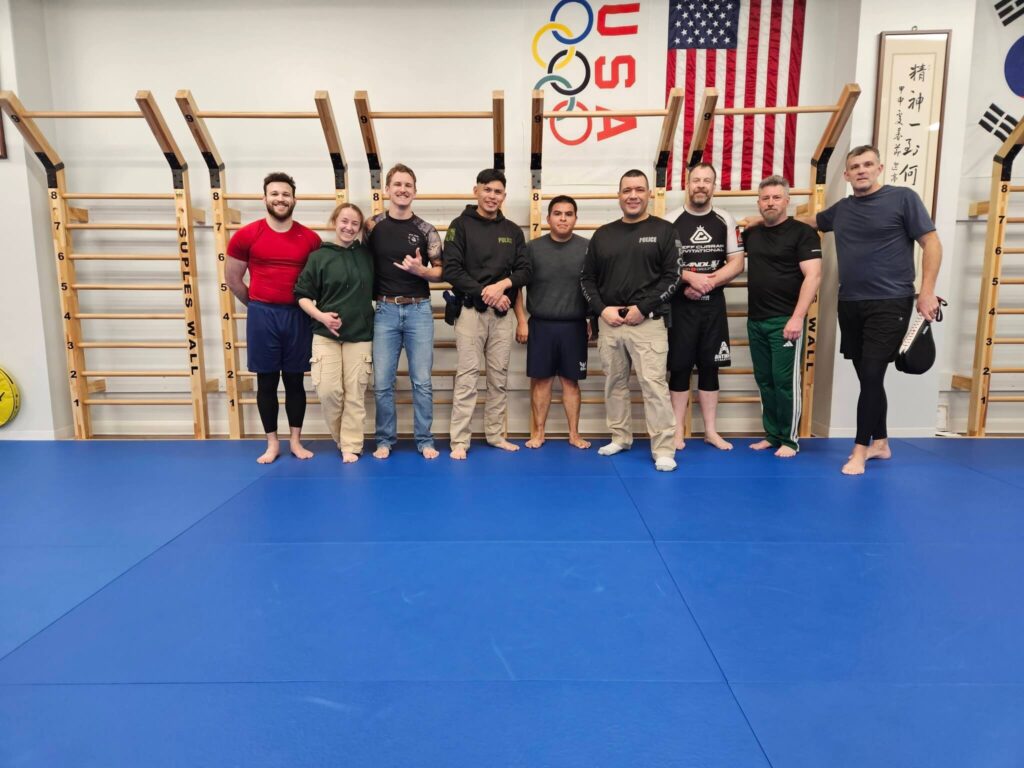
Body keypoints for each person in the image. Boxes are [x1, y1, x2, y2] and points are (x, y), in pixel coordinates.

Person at [757, 145, 942, 475]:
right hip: (851, 303)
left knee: (871, 374)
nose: (861, 170)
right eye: (855, 166)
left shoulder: (903, 198)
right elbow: (808, 221)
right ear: (846, 174)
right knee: (868, 377)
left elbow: (931, 242)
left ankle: (859, 451)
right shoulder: (842, 210)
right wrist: (764, 220)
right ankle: (881, 442)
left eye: (867, 164)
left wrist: (926, 292)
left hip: (891, 301)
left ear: (879, 168)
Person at [580, 169, 682, 472]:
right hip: (611, 323)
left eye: (639, 189)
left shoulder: (665, 231)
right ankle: (620, 437)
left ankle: (664, 448)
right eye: (627, 190)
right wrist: (602, 310)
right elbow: (587, 279)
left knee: (654, 386)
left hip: (647, 323)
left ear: (649, 194)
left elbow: (673, 276)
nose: (633, 195)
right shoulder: (603, 235)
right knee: (614, 383)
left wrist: (644, 307)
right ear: (619, 195)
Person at [226, 172, 321, 464]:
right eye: (275, 194)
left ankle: (295, 441)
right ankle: (272, 443)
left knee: (295, 381)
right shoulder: (246, 235)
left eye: (285, 194)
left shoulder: (310, 239)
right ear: (265, 198)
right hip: (262, 315)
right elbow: (233, 279)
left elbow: (317, 281)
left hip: (297, 316)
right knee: (266, 382)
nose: (280, 199)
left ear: (294, 199)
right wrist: (258, 305)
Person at [442, 168, 531, 460]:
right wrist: (487, 293)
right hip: (470, 311)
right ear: (476, 191)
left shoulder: (512, 231)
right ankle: (460, 441)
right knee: (467, 376)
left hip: (503, 315)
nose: (492, 196)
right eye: (487, 190)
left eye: (498, 192)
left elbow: (525, 271)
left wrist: (502, 286)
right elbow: (452, 270)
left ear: (504, 196)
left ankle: (495, 435)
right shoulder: (460, 226)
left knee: (498, 378)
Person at [663, 162, 745, 451]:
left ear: (714, 186)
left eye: (706, 181)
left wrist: (706, 283)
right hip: (680, 307)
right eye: (696, 180)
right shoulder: (670, 220)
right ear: (687, 184)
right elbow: (663, 265)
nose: (701, 185)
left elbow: (737, 262)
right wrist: (689, 279)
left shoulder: (725, 219)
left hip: (713, 308)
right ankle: (676, 432)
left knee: (711, 368)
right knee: (679, 368)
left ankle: (710, 431)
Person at [366, 164, 442, 460]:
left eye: (408, 185)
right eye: (397, 184)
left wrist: (421, 271)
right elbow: (360, 262)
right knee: (383, 382)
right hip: (385, 310)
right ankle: (385, 439)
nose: (402, 189)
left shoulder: (426, 230)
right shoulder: (372, 226)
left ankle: (425, 439)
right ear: (386, 190)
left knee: (422, 381)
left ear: (415, 191)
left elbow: (440, 271)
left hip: (418, 311)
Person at [743, 175, 822, 457]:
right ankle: (772, 434)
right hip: (756, 320)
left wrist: (797, 317)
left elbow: (813, 276)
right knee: (765, 380)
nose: (770, 203)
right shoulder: (752, 234)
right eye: (765, 198)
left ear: (787, 200)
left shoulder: (803, 233)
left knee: (784, 382)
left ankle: (789, 439)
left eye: (776, 197)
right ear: (759, 202)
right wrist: (753, 222)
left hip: (785, 320)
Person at [294, 203, 374, 463]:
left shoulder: (367, 256)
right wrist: (322, 316)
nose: (349, 227)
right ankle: (342, 440)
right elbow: (302, 295)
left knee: (355, 393)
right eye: (344, 221)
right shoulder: (319, 257)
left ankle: (351, 445)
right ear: (334, 222)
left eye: (354, 223)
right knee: (329, 392)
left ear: (360, 228)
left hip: (360, 335)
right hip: (325, 334)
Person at [513, 195, 591, 450]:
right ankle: (539, 433)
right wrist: (521, 320)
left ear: (576, 218)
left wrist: (591, 318)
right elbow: (516, 286)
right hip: (541, 324)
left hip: (574, 325)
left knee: (571, 382)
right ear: (548, 218)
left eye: (568, 214)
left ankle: (574, 434)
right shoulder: (533, 248)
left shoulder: (588, 248)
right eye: (557, 213)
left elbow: (595, 286)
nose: (563, 218)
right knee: (542, 381)